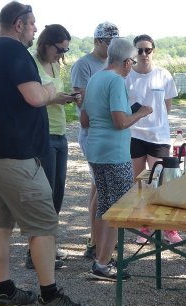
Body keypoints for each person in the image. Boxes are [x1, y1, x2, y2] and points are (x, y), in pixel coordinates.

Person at [0, 1, 90, 306]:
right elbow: (35, 97)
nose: (36, 29)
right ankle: (49, 297)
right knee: (44, 226)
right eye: (33, 24)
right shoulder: (15, 54)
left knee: (0, 223)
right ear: (19, 24)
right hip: (15, 157)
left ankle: (6, 292)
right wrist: (50, 89)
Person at [80, 38, 152, 281]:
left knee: (104, 206)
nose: (132, 64)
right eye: (131, 60)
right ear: (126, 61)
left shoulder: (95, 78)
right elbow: (120, 122)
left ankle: (101, 256)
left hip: (96, 150)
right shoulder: (116, 81)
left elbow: (85, 121)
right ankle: (102, 264)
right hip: (114, 153)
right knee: (118, 210)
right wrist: (140, 112)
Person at [24, 24, 80, 270]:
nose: (62, 55)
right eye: (60, 49)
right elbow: (34, 98)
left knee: (57, 193)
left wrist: (65, 97)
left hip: (59, 133)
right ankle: (33, 253)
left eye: (66, 50)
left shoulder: (56, 65)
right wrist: (54, 98)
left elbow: (52, 94)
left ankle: (49, 247)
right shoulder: (31, 64)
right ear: (46, 43)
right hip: (42, 134)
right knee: (43, 195)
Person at [125, 34, 182, 245]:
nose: (143, 54)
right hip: (134, 134)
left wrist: (157, 120)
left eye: (147, 50)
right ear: (134, 53)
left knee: (162, 182)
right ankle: (145, 226)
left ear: (153, 51)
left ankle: (169, 228)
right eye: (139, 50)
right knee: (139, 183)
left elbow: (168, 106)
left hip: (158, 136)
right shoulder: (127, 76)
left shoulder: (163, 74)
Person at [71, 21, 119, 260]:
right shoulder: (84, 64)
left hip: (109, 132)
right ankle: (95, 242)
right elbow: (81, 101)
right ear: (98, 41)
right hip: (93, 133)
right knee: (102, 188)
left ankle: (96, 237)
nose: (112, 47)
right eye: (109, 42)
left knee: (96, 186)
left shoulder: (111, 64)